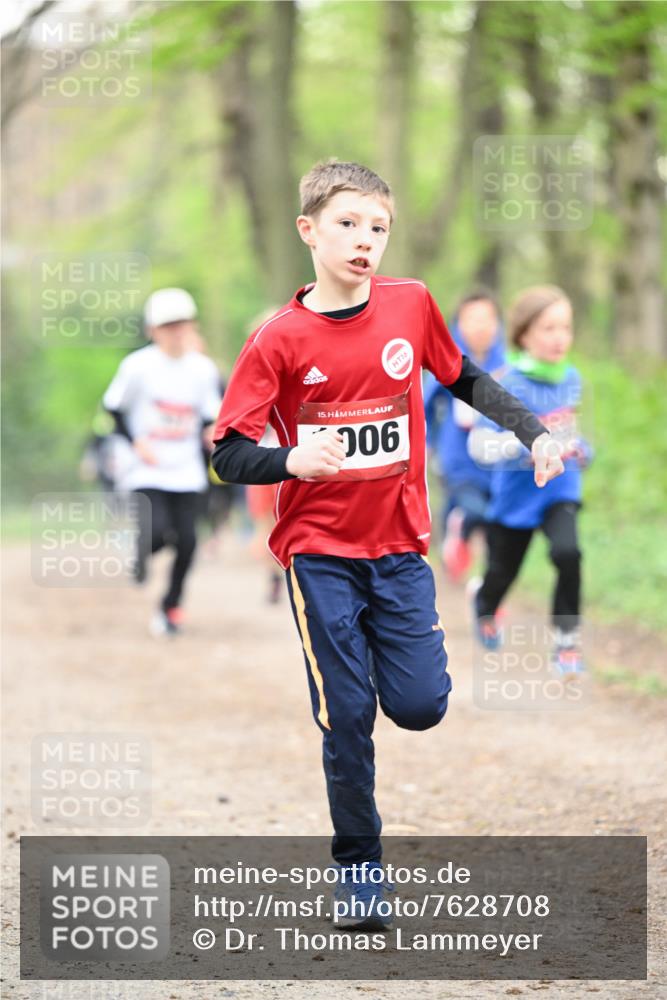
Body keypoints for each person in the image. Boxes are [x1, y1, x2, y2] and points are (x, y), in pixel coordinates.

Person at [211, 160, 564, 929]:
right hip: (317, 551)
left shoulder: (410, 304)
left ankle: (366, 659)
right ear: (308, 231)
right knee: (347, 714)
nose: (364, 239)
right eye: (347, 223)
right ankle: (359, 871)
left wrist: (533, 432)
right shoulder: (277, 339)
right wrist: (290, 460)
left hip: (399, 547)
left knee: (418, 706)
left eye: (378, 227)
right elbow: (227, 454)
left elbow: (464, 378)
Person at [468, 285, 591, 678]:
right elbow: (479, 446)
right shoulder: (508, 383)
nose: (559, 338)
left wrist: (582, 450)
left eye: (565, 328)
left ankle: (566, 642)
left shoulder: (571, 378)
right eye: (548, 329)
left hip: (560, 490)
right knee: (502, 573)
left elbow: (573, 431)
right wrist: (522, 444)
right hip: (516, 498)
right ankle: (485, 604)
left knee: (568, 554)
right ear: (524, 335)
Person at [103, 288, 221, 636]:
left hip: (186, 469)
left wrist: (210, 433)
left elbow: (208, 415)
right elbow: (113, 409)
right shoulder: (138, 366)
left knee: (188, 542)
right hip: (147, 467)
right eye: (168, 326)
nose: (177, 332)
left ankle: (170, 607)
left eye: (182, 324)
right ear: (152, 330)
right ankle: (139, 552)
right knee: (155, 531)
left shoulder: (202, 369)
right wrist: (136, 442)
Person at [424, 290, 505, 581]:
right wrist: (426, 443)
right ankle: (457, 530)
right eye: (473, 319)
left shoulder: (507, 363)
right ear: (459, 325)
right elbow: (423, 404)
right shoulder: (447, 360)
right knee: (474, 511)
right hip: (457, 459)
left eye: (487, 319)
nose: (481, 327)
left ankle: (480, 575)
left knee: (494, 521)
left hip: (497, 462)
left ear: (497, 324)